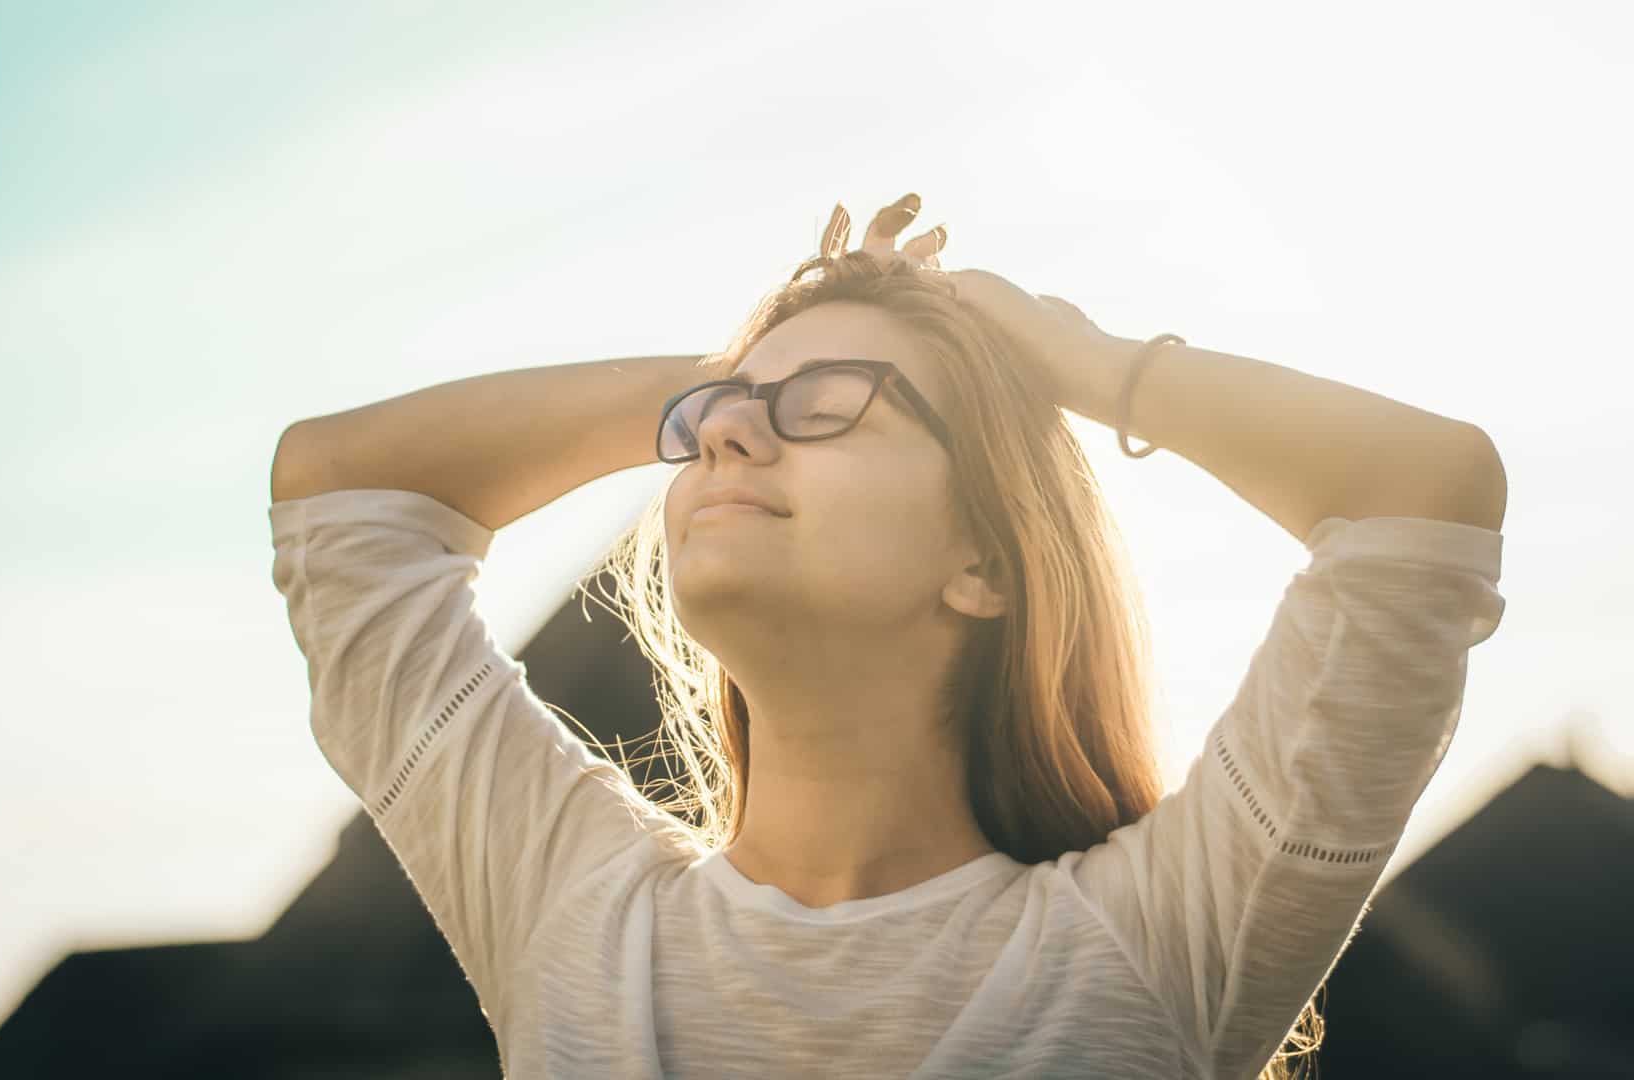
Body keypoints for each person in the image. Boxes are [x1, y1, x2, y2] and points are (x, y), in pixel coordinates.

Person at [268, 193, 1507, 1079]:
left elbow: (1423, 492)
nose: (727, 436)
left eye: (827, 407)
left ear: (986, 562)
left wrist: (1079, 363)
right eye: (713, 419)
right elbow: (338, 488)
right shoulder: (570, 908)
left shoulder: (1157, 939)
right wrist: (738, 366)